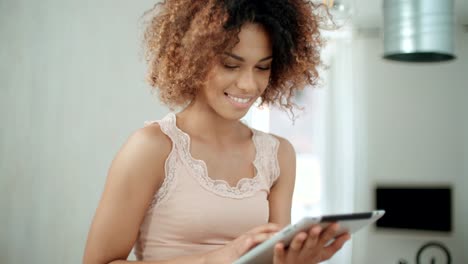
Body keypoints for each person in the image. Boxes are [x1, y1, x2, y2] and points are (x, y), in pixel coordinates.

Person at [83, 0, 350, 263]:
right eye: (231, 65)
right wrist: (221, 257)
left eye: (262, 67)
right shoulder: (152, 148)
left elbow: (273, 257)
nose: (248, 84)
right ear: (192, 58)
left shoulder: (279, 155)